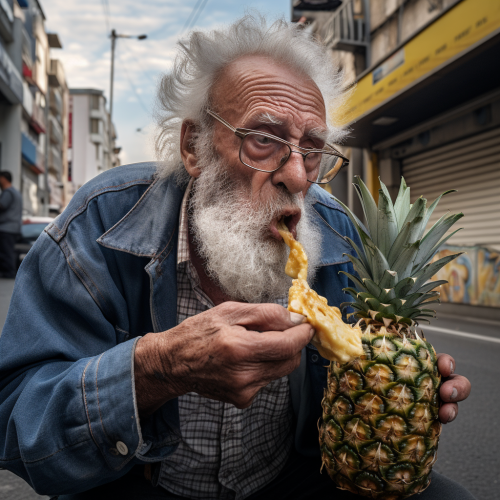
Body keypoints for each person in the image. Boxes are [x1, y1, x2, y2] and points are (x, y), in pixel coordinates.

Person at [0, 15, 473, 500]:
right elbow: (17, 422)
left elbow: (368, 360)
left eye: (312, 150)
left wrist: (396, 386)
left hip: (291, 479)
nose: (298, 177)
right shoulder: (99, 223)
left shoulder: (336, 236)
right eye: (264, 139)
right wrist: (157, 368)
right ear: (194, 147)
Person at [0, 171, 22, 279]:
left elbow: (2, 205)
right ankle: (9, 272)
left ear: (3, 179)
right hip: (13, 228)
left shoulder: (8, 192)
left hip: (6, 228)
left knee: (6, 251)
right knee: (8, 251)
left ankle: (9, 273)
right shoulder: (16, 192)